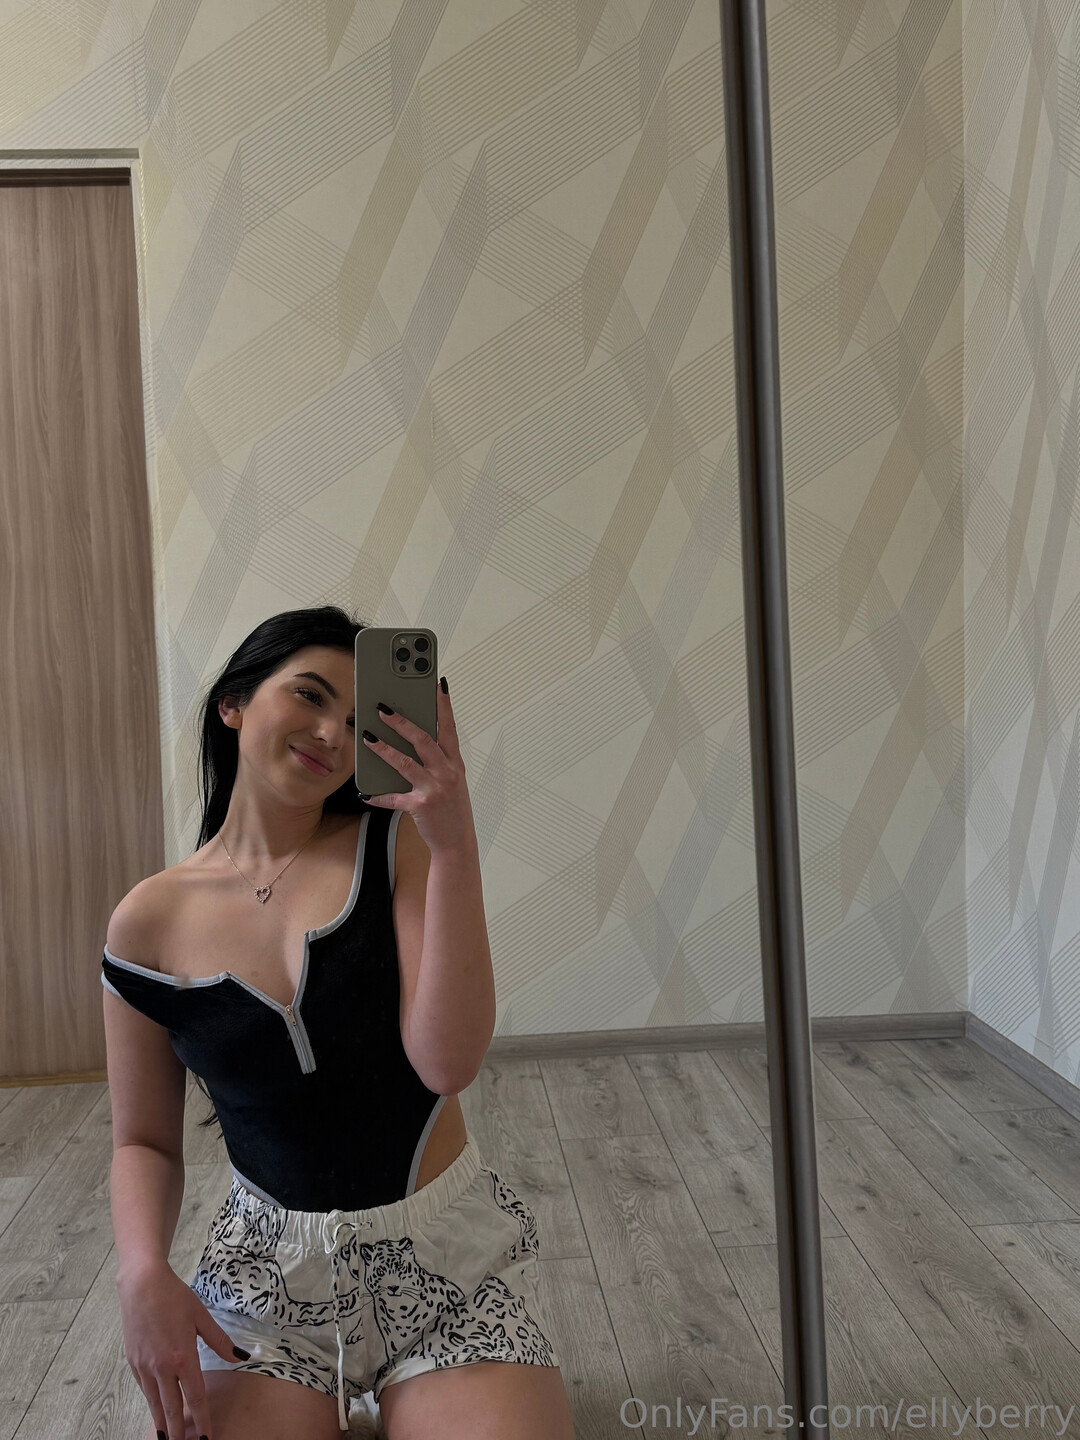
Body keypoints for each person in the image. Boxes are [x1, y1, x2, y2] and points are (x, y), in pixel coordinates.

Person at [102, 606, 575, 1440]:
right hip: (264, 1280)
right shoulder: (148, 922)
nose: (331, 733)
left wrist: (454, 844)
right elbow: (142, 1140)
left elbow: (446, 1064)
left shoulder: (399, 847)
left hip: (444, 1265)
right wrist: (142, 1272)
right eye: (310, 695)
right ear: (234, 703)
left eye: (360, 723)